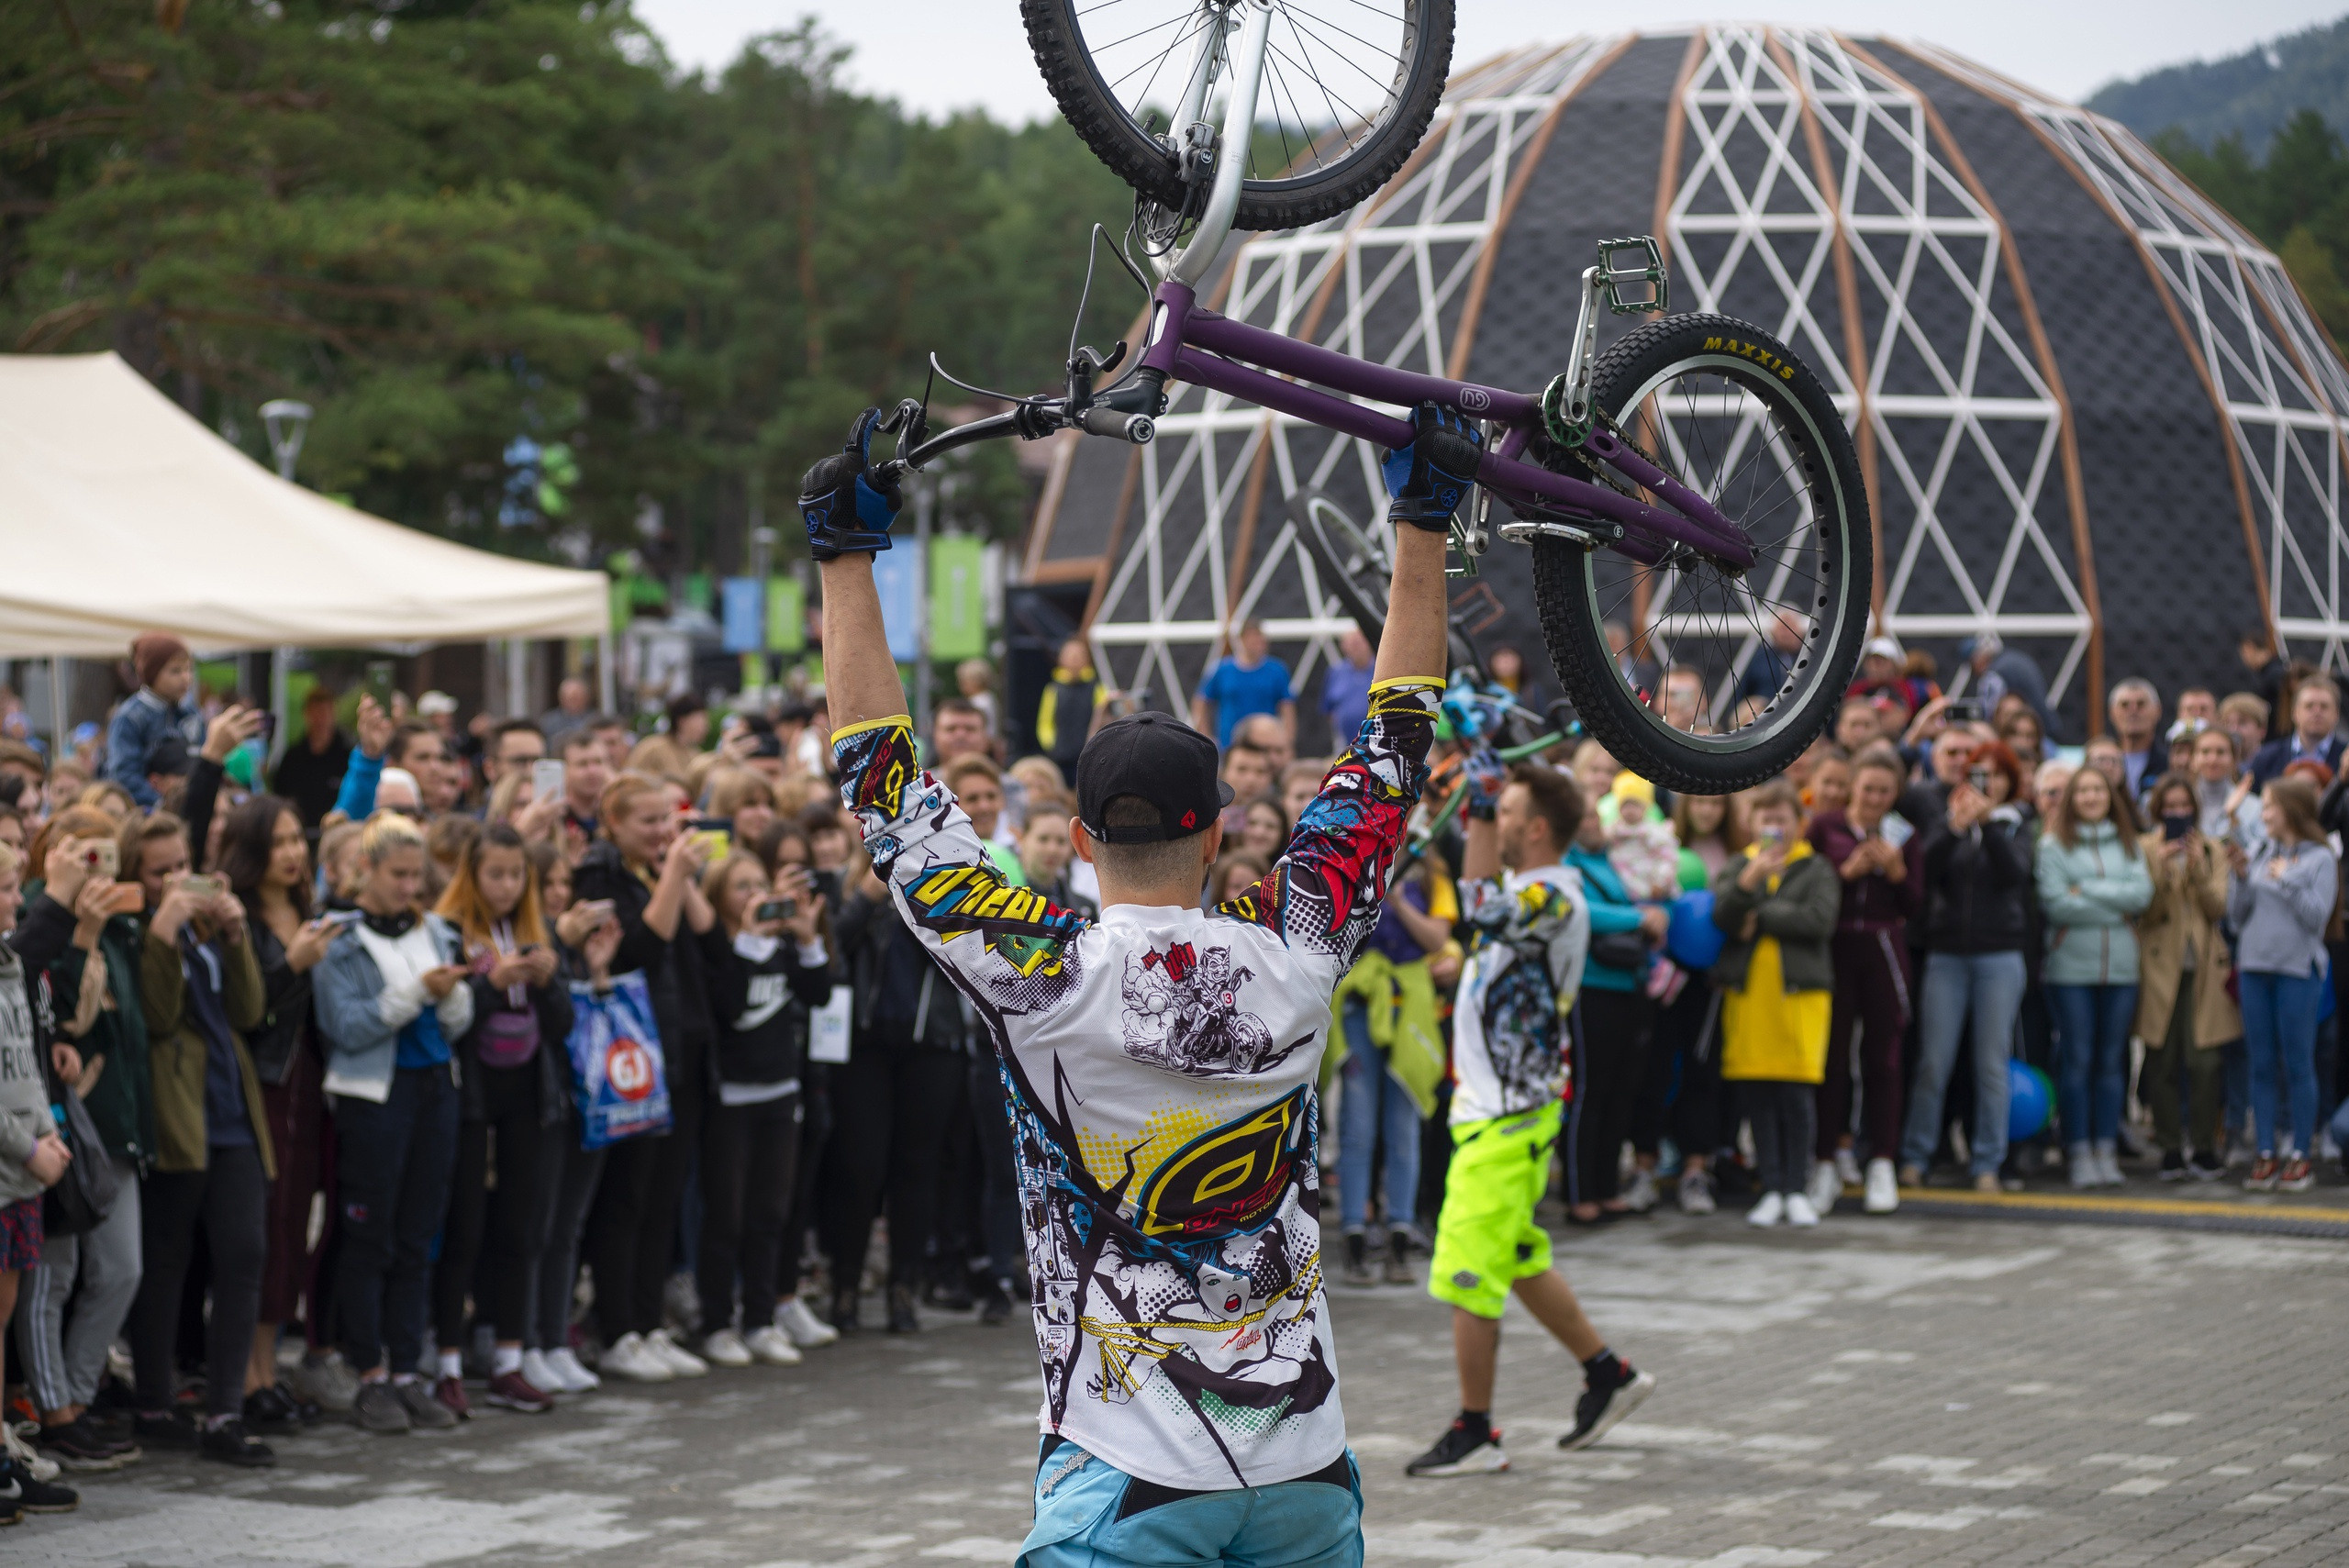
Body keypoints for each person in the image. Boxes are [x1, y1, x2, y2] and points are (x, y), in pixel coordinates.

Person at [800, 399, 1470, 1561]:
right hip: (1307, 1464)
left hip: (1129, 1471)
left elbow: (884, 785)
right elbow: (1396, 744)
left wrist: (841, 552)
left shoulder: (1041, 974)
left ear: (1078, 837)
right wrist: (1423, 517)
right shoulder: (1296, 949)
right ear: (1218, 836)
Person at [1407, 751, 1653, 1477]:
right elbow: (1487, 923)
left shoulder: (1556, 897)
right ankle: (1608, 1373)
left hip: (1510, 1116)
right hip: (1499, 1111)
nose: (1494, 819)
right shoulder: (1531, 892)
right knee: (1513, 1257)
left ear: (1537, 827)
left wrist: (1477, 809)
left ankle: (1476, 1429)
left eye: (1507, 812)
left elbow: (1480, 907)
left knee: (1465, 1272)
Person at [122, 809, 280, 1467]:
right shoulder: (133, 933)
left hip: (233, 1111)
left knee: (245, 1254)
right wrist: (161, 931)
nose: (173, 881)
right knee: (167, 1263)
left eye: (178, 866)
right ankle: (155, 1402)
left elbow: (249, 1012)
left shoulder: (206, 928)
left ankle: (225, 1411)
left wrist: (237, 936)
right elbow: (156, 1017)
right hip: (178, 1118)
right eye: (158, 871)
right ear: (136, 876)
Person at [311, 814, 475, 1433]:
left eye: (417, 875)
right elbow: (346, 1025)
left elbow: (457, 1022)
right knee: (370, 1234)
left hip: (436, 1087)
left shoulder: (435, 929)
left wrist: (453, 994)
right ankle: (369, 1372)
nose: (410, 886)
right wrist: (416, 993)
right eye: (398, 874)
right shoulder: (340, 938)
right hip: (374, 1094)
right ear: (367, 871)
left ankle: (408, 1369)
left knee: (418, 1233)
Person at [15, 809, 152, 1470]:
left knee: (120, 1267)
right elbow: (28, 977)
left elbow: (61, 1019)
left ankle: (72, 1395)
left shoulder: (117, 929)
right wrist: (75, 927)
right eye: (80, 856)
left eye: (107, 856)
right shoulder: (41, 923)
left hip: (81, 1122)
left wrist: (62, 1046)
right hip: (32, 1133)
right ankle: (53, 1409)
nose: (97, 870)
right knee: (52, 1276)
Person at [573, 773, 717, 1382]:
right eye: (649, 821)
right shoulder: (600, 873)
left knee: (663, 1198)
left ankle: (648, 1321)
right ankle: (618, 1326)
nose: (663, 831)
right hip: (631, 1054)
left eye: (669, 818)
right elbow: (640, 948)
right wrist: (672, 876)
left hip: (679, 1047)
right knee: (627, 1197)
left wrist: (678, 874)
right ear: (615, 824)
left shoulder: (659, 869)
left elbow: (704, 933)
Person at [429, 824, 573, 1416]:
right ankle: (447, 1362)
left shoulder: (536, 931)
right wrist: (489, 986)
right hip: (470, 1097)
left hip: (528, 1096)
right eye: (496, 874)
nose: (508, 886)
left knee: (521, 1228)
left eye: (518, 875)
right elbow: (449, 1021)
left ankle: (512, 1361)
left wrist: (542, 984)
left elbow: (563, 1025)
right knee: (464, 1231)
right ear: (472, 875)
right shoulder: (447, 932)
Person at [217, 795, 345, 1428]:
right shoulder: (236, 917)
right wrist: (293, 964)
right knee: (261, 1228)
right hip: (260, 1085)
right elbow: (248, 1009)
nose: (296, 853)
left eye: (301, 839)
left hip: (307, 1082)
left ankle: (269, 1370)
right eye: (282, 842)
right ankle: (245, 1377)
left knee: (295, 1224)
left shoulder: (305, 908)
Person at [696, 852, 832, 1366]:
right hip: (732, 1100)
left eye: (760, 884)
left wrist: (806, 936)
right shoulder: (726, 952)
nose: (755, 895)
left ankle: (760, 1319)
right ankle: (716, 1323)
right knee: (726, 1216)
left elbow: (818, 994)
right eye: (741, 887)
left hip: (782, 1094)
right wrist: (750, 941)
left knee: (770, 1212)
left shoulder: (778, 948)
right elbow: (730, 1007)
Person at [0, 837, 87, 1519]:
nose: (16, 902)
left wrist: (48, 1128)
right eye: (5, 890)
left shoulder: (10, 966)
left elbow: (24, 1062)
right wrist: (29, 1146)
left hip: (25, 1164)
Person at [1710, 779, 1842, 1226]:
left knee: (1796, 1095)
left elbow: (1817, 920)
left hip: (1799, 999)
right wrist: (1748, 885)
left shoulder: (1817, 868)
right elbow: (1723, 915)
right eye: (1765, 819)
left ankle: (1796, 1187)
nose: (1773, 827)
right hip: (1750, 998)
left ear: (1799, 824)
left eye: (1781, 819)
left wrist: (1759, 914)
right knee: (1759, 1095)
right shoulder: (1739, 865)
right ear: (1751, 823)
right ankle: (1770, 1187)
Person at [1901, 740, 2030, 1194]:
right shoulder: (1945, 821)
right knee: (1933, 1062)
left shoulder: (2016, 823)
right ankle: (1916, 1156)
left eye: (1995, 775)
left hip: (1999, 955)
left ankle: (1987, 1163)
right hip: (1947, 954)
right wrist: (1955, 828)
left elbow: (2015, 875)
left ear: (2010, 782)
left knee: (1991, 1064)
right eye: (1979, 773)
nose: (1986, 783)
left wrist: (1988, 824)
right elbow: (1924, 872)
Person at [1806, 748, 1920, 1216]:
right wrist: (1845, 872)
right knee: (1830, 1061)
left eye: (1884, 792)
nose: (1874, 799)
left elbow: (1916, 905)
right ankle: (1826, 1161)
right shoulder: (1824, 828)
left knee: (1884, 1061)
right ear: (1852, 786)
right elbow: (1808, 885)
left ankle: (1882, 1164)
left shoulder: (1904, 835)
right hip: (1833, 948)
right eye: (1867, 788)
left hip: (1882, 949)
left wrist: (1896, 873)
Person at [1330, 846, 1450, 1287]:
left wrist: (1397, 897)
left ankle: (1400, 1237)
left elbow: (1437, 939)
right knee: (1358, 1127)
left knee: (1403, 1127)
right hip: (1359, 1007)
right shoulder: (1352, 857)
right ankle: (1355, 1239)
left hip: (1410, 1008)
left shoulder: (1433, 873)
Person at [2035, 765, 2153, 1189]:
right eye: (2082, 791)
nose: (2089, 797)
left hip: (2121, 968)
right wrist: (2112, 899)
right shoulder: (2053, 845)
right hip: (2070, 971)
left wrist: (2083, 890)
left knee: (2110, 1063)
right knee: (2077, 1060)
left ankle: (2106, 1147)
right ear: (2072, 797)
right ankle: (2078, 1148)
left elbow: (2141, 895)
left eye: (2097, 790)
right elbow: (2056, 904)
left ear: (2110, 796)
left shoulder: (2128, 843)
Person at [2224, 775, 2336, 1193]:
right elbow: (2238, 919)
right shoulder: (2259, 851)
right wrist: (2239, 877)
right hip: (2254, 966)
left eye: (2269, 806)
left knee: (2298, 1061)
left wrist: (2287, 879)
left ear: (2290, 809)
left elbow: (2316, 918)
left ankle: (2301, 1153)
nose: (2264, 814)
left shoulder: (2320, 858)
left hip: (2297, 970)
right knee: (2262, 1062)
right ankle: (2266, 1150)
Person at [1564, 784, 1665, 1222]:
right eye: (1584, 817)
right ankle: (1579, 1191)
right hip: (1591, 986)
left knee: (1623, 1091)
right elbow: (1580, 910)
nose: (1593, 824)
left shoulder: (1613, 859)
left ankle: (1606, 1187)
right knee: (1590, 1092)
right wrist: (1639, 918)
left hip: (1630, 985)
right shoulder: (1568, 863)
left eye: (1594, 816)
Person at [2135, 773, 2238, 1182]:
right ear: (2158, 810)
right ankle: (2169, 1148)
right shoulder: (2144, 848)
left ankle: (2204, 1146)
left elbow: (2217, 909)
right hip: (2161, 967)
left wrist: (2195, 869)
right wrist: (2161, 870)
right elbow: (2145, 909)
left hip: (2204, 969)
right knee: (2160, 1060)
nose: (2178, 814)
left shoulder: (2212, 849)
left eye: (2184, 807)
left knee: (2206, 1062)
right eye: (2170, 807)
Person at [105, 633, 206, 809]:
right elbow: (124, 775)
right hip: (147, 814)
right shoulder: (130, 717)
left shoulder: (190, 712)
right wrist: (160, 805)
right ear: (152, 673)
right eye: (176, 671)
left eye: (189, 669)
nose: (186, 678)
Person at [1191, 617, 1296, 751]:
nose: (1258, 643)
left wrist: (1287, 741)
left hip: (1265, 744)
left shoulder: (1276, 670)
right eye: (1253, 639)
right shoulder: (1222, 669)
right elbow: (1201, 701)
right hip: (1228, 744)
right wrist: (1206, 736)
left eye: (1260, 639)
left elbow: (1287, 706)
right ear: (1242, 640)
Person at [271, 687, 351, 828]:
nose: (320, 720)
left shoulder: (348, 755)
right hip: (301, 831)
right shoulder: (292, 758)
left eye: (324, 713)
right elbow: (280, 796)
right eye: (316, 713)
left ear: (333, 714)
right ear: (306, 714)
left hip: (338, 831)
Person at [2247, 674, 2343, 787]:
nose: (2317, 712)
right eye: (2309, 706)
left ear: (2336, 714)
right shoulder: (2266, 758)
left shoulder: (2345, 757)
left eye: (2324, 706)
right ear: (2295, 713)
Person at [1036, 637, 1107, 781]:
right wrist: (1052, 746)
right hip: (1061, 759)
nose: (1074, 659)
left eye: (1079, 655)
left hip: (1089, 756)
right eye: (1070, 655)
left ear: (1087, 659)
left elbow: (1104, 720)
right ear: (1061, 658)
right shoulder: (1053, 689)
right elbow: (1045, 722)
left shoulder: (1098, 688)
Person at [1961, 631, 2051, 735]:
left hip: (2030, 731)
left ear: (1977, 660)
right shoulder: (2012, 658)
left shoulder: (1994, 673)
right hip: (2041, 727)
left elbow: (1989, 710)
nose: (1974, 673)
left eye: (1972, 667)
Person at [2107, 678, 2163, 797]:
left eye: (2141, 704)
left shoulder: (2169, 763)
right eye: (2124, 705)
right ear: (2112, 713)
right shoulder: (2100, 763)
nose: (2133, 711)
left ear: (2158, 711)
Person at [1321, 626, 1375, 747]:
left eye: (1358, 643)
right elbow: (1328, 709)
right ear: (1343, 647)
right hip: (1344, 743)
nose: (1356, 648)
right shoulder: (1336, 672)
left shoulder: (1380, 670)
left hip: (1376, 742)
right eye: (1351, 644)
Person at [540, 675, 593, 750]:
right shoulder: (549, 722)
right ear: (561, 699)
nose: (572, 702)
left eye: (575, 698)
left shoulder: (594, 719)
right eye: (568, 698)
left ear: (585, 697)